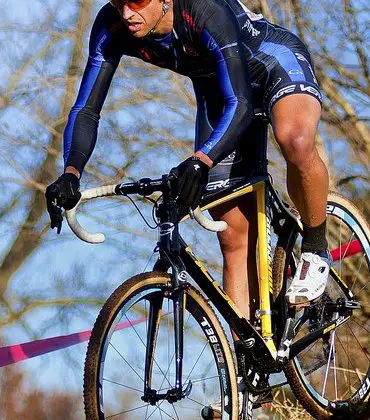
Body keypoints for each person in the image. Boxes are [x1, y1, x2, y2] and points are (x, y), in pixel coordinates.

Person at [45, 0, 331, 415]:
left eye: (137, 1)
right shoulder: (111, 26)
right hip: (220, 91)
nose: (127, 12)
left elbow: (241, 101)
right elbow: (87, 108)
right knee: (232, 231)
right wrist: (71, 173)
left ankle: (317, 249)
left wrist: (202, 160)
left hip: (271, 64)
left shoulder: (203, 10)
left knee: (296, 141)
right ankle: (247, 376)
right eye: (118, 1)